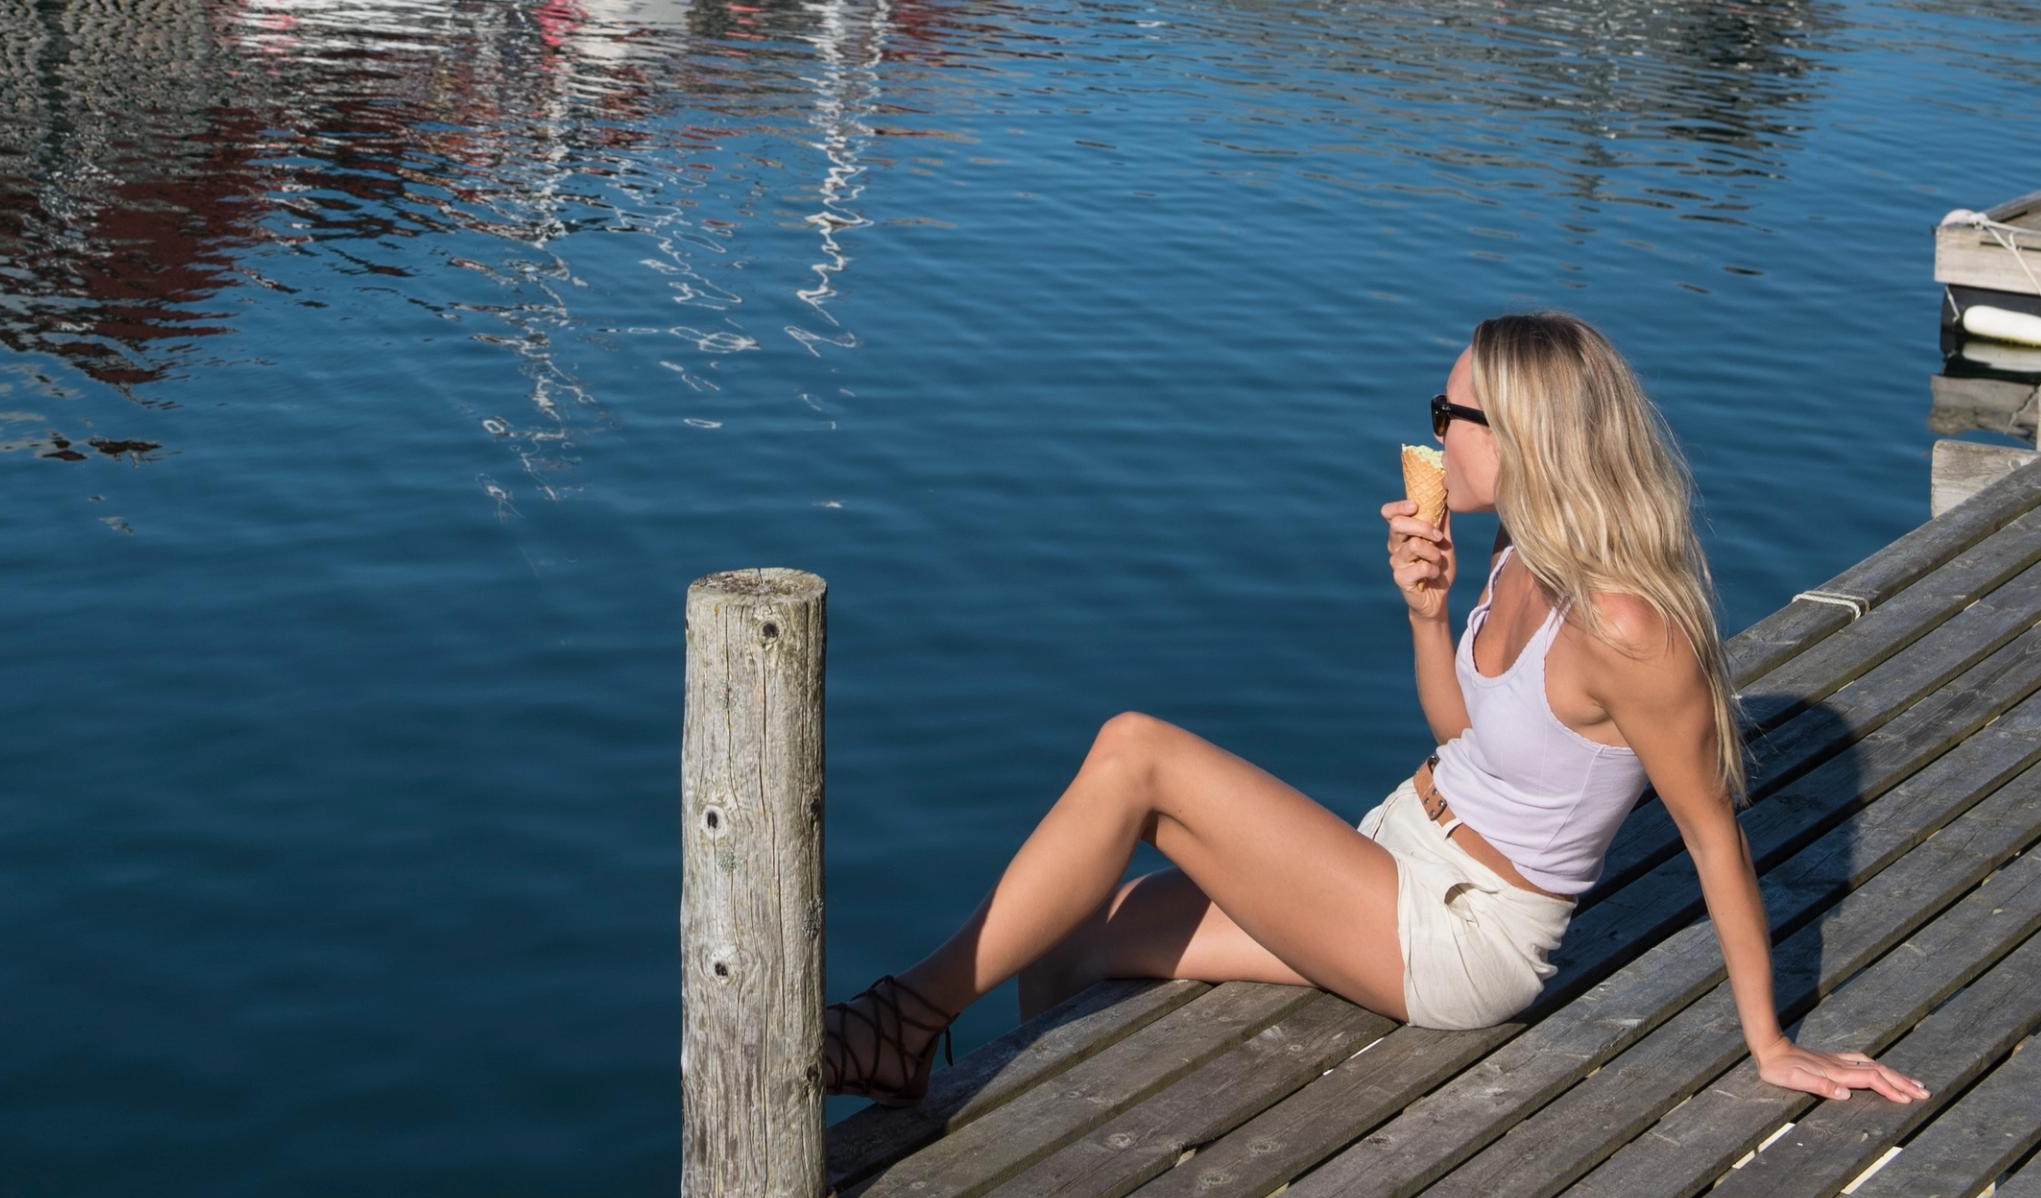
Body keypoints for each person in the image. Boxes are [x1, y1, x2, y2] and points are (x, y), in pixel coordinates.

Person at [821, 313, 1925, 1111]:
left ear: (1526, 435)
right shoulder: (1514, 552)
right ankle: (1023, 1125)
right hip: (1394, 853)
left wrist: (1772, 1039)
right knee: (1073, 941)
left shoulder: (1628, 627)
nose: (1436, 432)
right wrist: (1426, 612)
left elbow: (1711, 834)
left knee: (1136, 753)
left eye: (1453, 415)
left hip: (1464, 932)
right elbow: (1464, 732)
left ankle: (898, 1021)